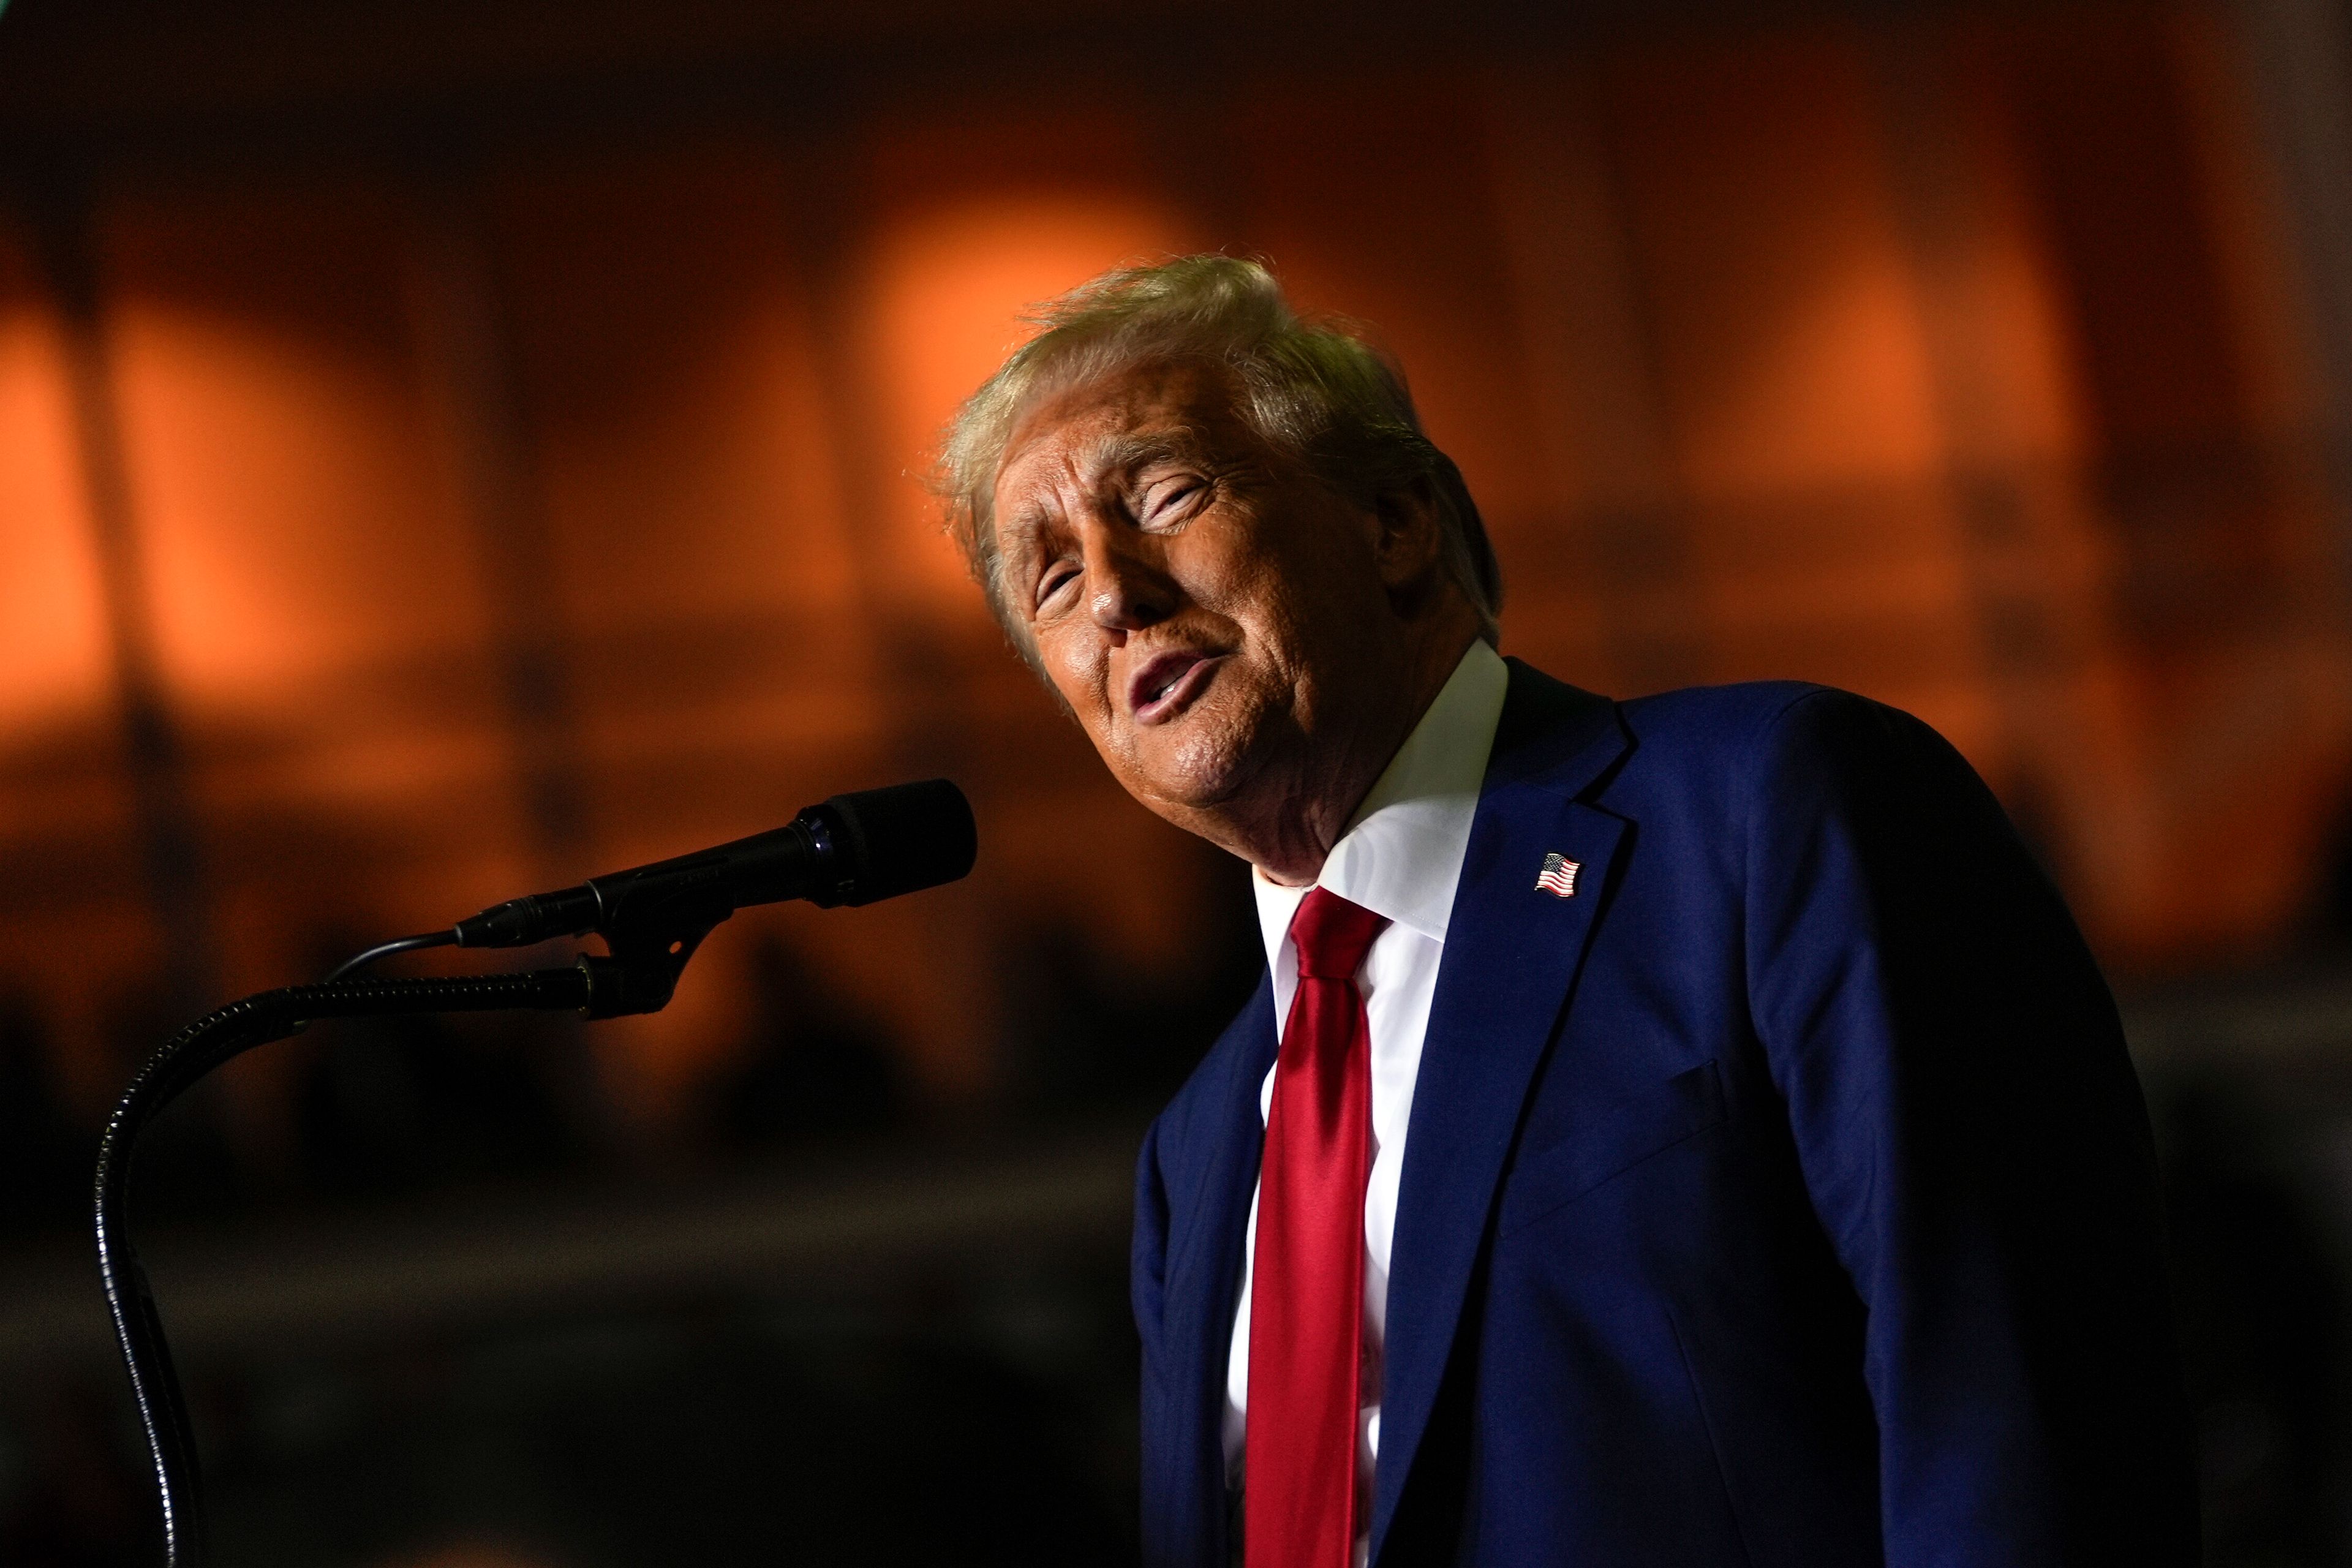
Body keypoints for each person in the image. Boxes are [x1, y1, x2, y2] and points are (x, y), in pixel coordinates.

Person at [937, 256, 2195, 1568]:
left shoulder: (1767, 818)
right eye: (1052, 582)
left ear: (1396, 522)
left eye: (1167, 495)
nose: (1116, 594)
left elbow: (2022, 1416)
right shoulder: (1192, 1153)